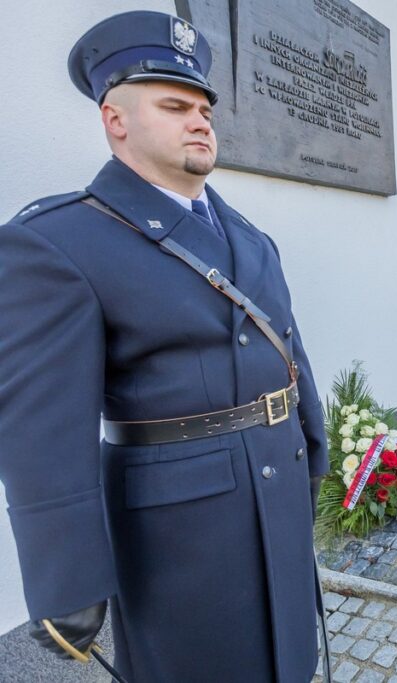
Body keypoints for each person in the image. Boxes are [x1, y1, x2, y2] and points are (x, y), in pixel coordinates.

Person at [0, 12, 328, 681]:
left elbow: (288, 346)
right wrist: (66, 577)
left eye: (203, 106)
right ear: (115, 121)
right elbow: (42, 425)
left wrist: (310, 439)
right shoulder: (61, 241)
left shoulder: (248, 235)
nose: (200, 119)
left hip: (277, 482)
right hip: (182, 532)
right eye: (174, 105)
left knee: (290, 657)